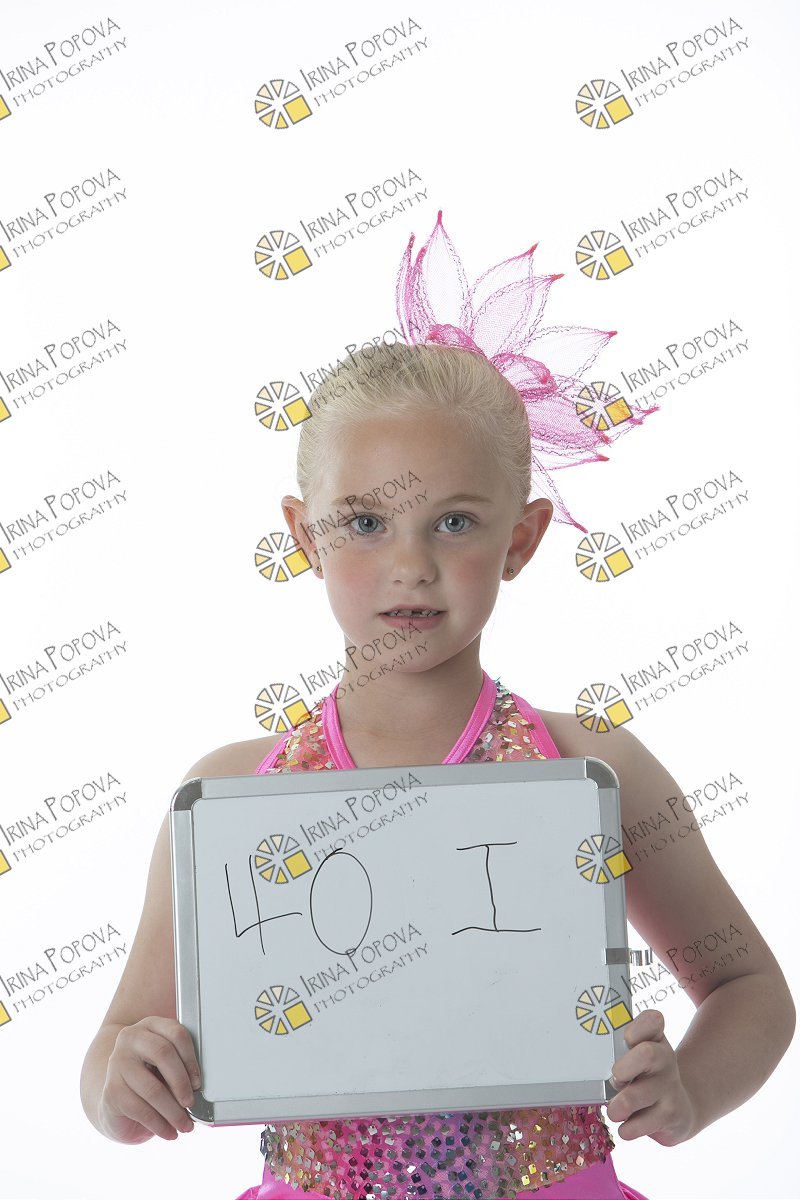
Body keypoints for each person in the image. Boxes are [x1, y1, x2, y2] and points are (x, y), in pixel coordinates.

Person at [80, 215, 794, 1200]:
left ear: (521, 539)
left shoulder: (588, 770)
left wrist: (689, 1092)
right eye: (365, 522)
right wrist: (123, 1083)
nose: (410, 564)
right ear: (304, 536)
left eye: (454, 521)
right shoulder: (232, 796)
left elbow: (751, 990)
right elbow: (115, 1051)